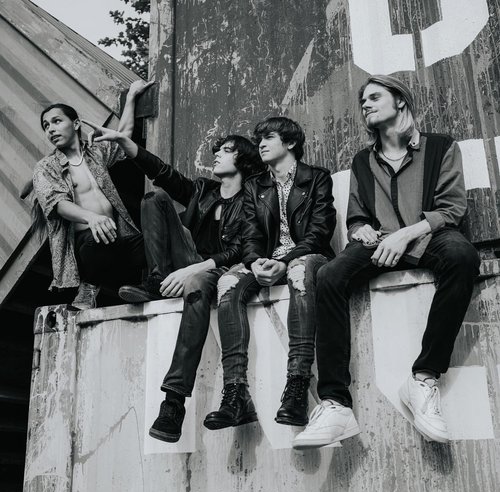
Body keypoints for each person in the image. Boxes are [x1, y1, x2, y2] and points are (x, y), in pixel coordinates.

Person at [293, 75, 480, 449]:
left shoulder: (440, 146)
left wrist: (404, 234)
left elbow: (452, 208)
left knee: (462, 256)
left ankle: (423, 378)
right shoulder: (362, 160)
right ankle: (335, 403)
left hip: (427, 236)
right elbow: (357, 215)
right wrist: (360, 228)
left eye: (375, 97)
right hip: (378, 244)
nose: (366, 104)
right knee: (329, 275)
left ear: (400, 101)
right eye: (363, 100)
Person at [82, 120, 265, 442]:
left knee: (196, 287)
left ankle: (173, 403)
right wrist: (126, 143)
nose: (217, 155)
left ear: (243, 161)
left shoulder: (252, 199)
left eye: (226, 151)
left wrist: (196, 271)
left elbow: (242, 249)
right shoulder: (203, 191)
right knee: (154, 198)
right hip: (186, 261)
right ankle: (156, 280)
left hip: (219, 270)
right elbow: (162, 172)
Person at [203, 116, 336, 431]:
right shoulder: (255, 185)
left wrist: (286, 260)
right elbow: (250, 235)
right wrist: (254, 262)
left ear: (290, 142)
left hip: (306, 256)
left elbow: (319, 232)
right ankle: (235, 394)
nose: (261, 144)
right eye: (259, 139)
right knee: (227, 282)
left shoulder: (316, 178)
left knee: (299, 272)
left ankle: (297, 387)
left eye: (269, 137)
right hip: (267, 260)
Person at [32, 80, 153, 309]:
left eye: (57, 121)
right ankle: (88, 288)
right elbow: (58, 204)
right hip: (87, 243)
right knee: (96, 243)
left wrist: (131, 97)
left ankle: (154, 285)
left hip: (118, 237)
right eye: (46, 126)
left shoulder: (95, 153)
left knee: (156, 241)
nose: (51, 129)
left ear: (76, 123)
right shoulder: (46, 167)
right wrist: (92, 218)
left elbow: (123, 136)